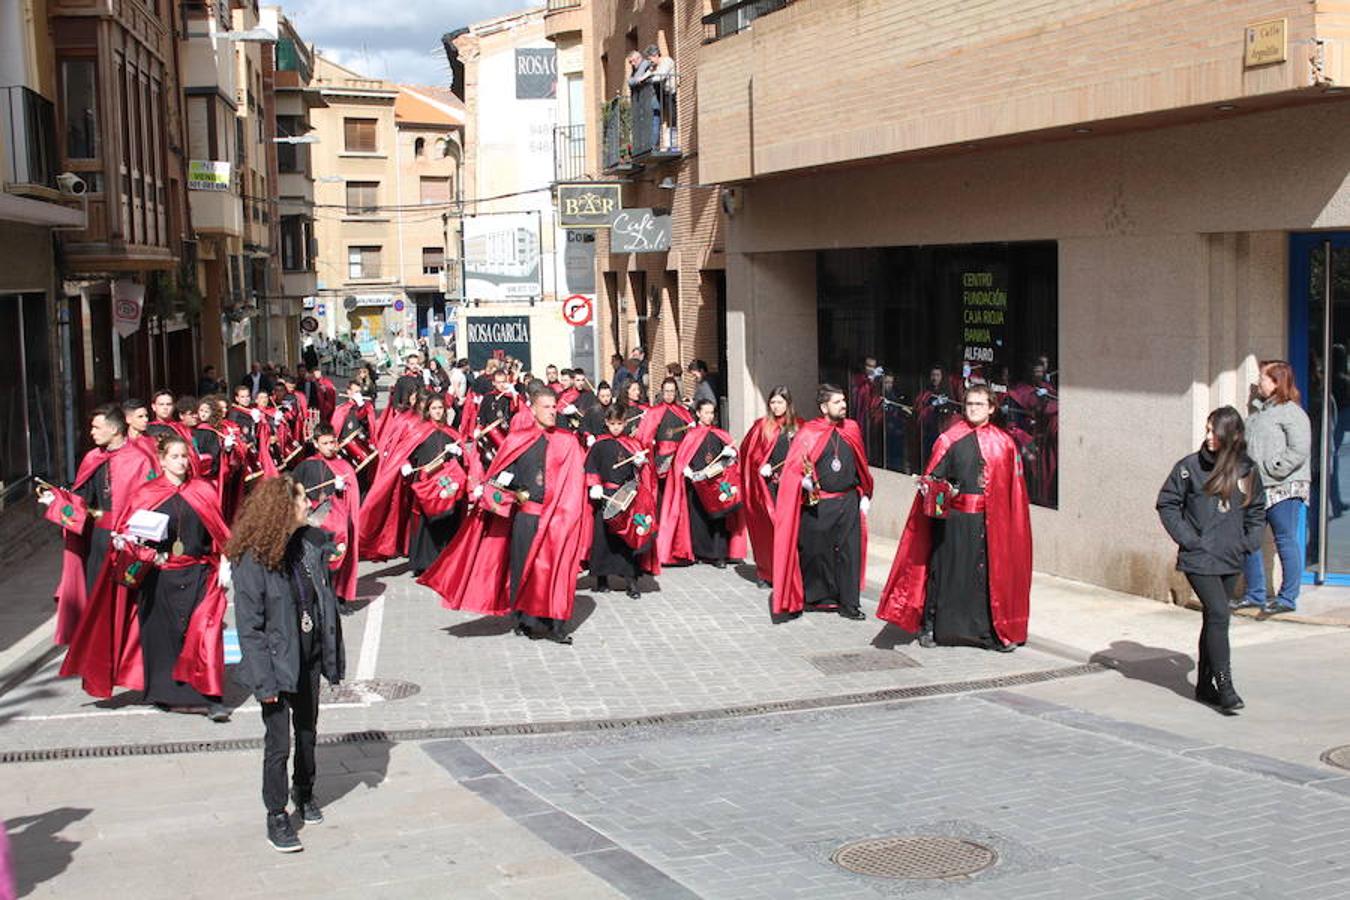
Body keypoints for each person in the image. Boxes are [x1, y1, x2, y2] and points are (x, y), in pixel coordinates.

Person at [63, 434, 232, 712]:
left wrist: (226, 560)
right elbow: (128, 531)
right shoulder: (146, 493)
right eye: (175, 457)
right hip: (159, 575)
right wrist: (128, 541)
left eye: (184, 457)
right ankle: (166, 693)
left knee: (202, 631)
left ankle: (207, 695)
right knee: (163, 635)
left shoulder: (203, 490)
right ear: (162, 460)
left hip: (198, 572)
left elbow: (219, 530)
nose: (181, 462)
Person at [229, 476, 346, 852]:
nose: (307, 504)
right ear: (282, 510)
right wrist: (264, 683)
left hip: (309, 653)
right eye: (300, 500)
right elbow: (250, 629)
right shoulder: (253, 559)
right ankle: (276, 814)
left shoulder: (308, 543)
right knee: (278, 743)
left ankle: (305, 789)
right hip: (276, 665)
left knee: (308, 730)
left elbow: (325, 586)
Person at [418, 386, 588, 644]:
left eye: (554, 407)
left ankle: (556, 625)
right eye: (546, 407)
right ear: (533, 410)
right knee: (524, 568)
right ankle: (525, 620)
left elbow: (575, 481)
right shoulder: (518, 440)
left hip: (557, 517)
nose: (552, 412)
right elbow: (501, 476)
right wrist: (495, 492)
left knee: (555, 570)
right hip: (527, 515)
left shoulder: (567, 441)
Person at [877, 384, 1032, 650]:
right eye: (969, 404)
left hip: (988, 524)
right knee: (942, 574)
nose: (973, 409)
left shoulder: (1004, 443)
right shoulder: (949, 439)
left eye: (979, 404)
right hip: (953, 522)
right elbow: (936, 478)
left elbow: (1012, 493)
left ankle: (989, 634)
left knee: (984, 580)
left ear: (991, 409)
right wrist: (936, 488)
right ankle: (930, 628)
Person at [1156, 406, 1265, 713]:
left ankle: (1205, 685)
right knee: (1219, 614)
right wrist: (1189, 539)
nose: (1208, 437)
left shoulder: (1246, 470)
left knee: (1213, 619)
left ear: (1232, 436)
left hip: (1231, 556)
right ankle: (1225, 686)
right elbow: (1167, 504)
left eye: (1214, 432)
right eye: (1206, 430)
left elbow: (1257, 510)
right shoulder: (1189, 467)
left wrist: (1249, 541)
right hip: (1199, 557)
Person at [42, 405, 158, 644]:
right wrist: (57, 500)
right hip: (98, 539)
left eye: (96, 427)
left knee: (129, 597)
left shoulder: (140, 459)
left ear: (114, 429)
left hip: (129, 540)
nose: (92, 432)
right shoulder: (93, 458)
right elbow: (82, 498)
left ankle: (127, 649)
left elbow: (152, 499)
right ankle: (101, 647)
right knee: (97, 594)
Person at [770, 385, 873, 620]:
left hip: (848, 500)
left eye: (844, 400)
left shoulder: (852, 429)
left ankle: (850, 604)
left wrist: (865, 493)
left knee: (849, 553)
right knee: (816, 552)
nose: (844, 405)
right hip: (820, 502)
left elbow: (861, 464)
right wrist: (803, 482)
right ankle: (817, 597)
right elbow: (794, 468)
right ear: (824, 407)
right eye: (838, 402)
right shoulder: (809, 432)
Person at [1239, 360, 1311, 614]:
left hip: (1284, 486)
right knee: (1250, 539)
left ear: (1277, 382)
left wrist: (1272, 468)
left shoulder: (1291, 412)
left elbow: (1299, 449)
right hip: (1258, 487)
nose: (1259, 382)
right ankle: (1255, 593)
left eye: (1263, 378)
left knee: (1284, 540)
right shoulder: (1258, 414)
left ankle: (1287, 598)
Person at [657, 398, 747, 568]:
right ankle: (700, 552)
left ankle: (719, 555)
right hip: (697, 484)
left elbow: (732, 457)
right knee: (698, 519)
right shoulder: (691, 435)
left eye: (712, 413)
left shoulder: (719, 433)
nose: (709, 416)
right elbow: (681, 458)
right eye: (706, 412)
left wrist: (731, 453)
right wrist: (686, 470)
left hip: (715, 484)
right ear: (698, 413)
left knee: (718, 519)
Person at [585, 404, 657, 597]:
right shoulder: (599, 445)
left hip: (627, 496)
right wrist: (594, 485)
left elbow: (641, 473)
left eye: (620, 423)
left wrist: (640, 465)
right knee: (603, 539)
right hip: (605, 496)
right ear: (607, 423)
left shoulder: (632, 444)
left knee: (628, 540)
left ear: (625, 423)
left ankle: (631, 581)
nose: (616, 427)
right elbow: (591, 468)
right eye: (612, 423)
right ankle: (602, 578)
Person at [740, 386, 802, 588]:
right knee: (770, 530)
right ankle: (768, 572)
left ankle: (791, 572)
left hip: (793, 487)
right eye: (773, 402)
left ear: (788, 404)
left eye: (780, 402)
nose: (776, 406)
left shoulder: (799, 425)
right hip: (769, 487)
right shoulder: (762, 426)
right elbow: (749, 452)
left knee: (792, 530)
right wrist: (761, 465)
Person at [291, 425, 361, 604]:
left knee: (337, 556)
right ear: (316, 444)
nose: (330, 446)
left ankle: (337, 596)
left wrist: (342, 488)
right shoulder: (306, 466)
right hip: (314, 522)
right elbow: (295, 491)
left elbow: (350, 497)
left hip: (336, 523)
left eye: (332, 442)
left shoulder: (343, 466)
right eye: (325, 443)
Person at [405, 394, 467, 575]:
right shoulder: (420, 431)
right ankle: (424, 562)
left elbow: (464, 461)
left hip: (446, 483)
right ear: (428, 411)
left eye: (440, 408)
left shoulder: (452, 433)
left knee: (447, 519)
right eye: (434, 408)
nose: (438, 412)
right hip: (426, 483)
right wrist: (406, 465)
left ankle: (444, 559)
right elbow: (406, 453)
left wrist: (459, 452)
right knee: (426, 522)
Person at [637, 377, 693, 506]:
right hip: (661, 459)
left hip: (679, 457)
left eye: (672, 391)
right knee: (663, 496)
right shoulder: (654, 412)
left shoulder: (683, 412)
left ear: (676, 392)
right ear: (662, 392)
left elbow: (691, 436)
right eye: (666, 391)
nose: (669, 395)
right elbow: (644, 437)